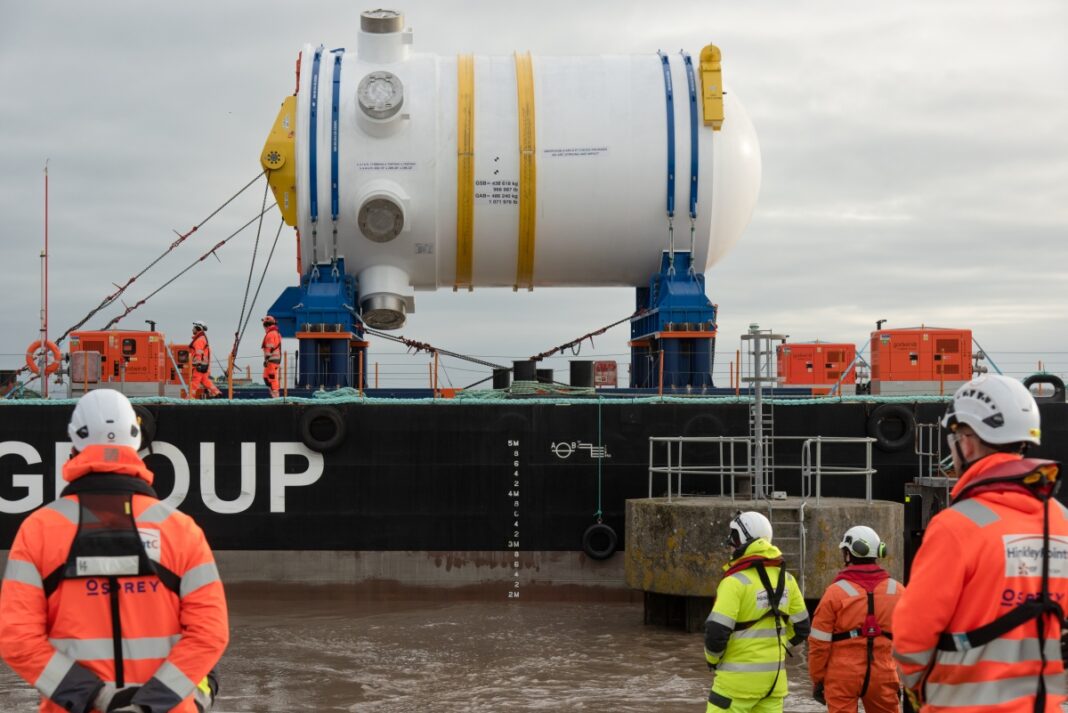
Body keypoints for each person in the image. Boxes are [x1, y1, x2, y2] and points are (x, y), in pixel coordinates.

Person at [0, 389, 228, 712]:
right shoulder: (181, 531)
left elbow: (17, 640)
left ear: (75, 444)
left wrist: (97, 697)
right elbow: (210, 634)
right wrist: (148, 705)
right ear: (135, 443)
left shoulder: (38, 532)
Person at [892, 374, 1068, 712]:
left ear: (967, 442)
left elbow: (911, 637)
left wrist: (919, 689)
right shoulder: (1060, 520)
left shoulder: (956, 526)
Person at [703, 511, 810, 713]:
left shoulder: (734, 583)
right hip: (774, 684)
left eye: (733, 539)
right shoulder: (787, 580)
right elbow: (802, 628)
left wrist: (712, 660)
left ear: (742, 540)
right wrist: (776, 647)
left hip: (735, 685)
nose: (731, 545)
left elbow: (716, 633)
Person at [808, 525, 904, 713]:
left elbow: (819, 644)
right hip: (884, 674)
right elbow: (914, 641)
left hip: (842, 676)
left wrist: (818, 679)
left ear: (848, 554)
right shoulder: (899, 591)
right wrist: (902, 681)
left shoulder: (834, 593)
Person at [189, 321, 221, 399]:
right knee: (205, 380)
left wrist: (197, 364)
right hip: (204, 365)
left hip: (199, 366)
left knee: (194, 383)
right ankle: (217, 393)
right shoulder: (202, 338)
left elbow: (198, 352)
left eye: (193, 328)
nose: (192, 329)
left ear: (198, 328)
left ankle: (189, 399)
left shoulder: (199, 340)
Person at [260, 315, 282, 399]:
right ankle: (273, 394)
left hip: (271, 360)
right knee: (266, 377)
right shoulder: (276, 333)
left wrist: (266, 359)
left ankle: (275, 396)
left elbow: (269, 347)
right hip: (273, 360)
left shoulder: (270, 334)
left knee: (271, 378)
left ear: (266, 325)